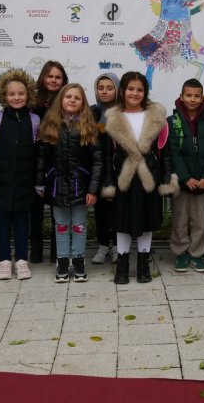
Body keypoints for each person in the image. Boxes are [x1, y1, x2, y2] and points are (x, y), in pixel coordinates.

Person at [103, 71, 178, 284]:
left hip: (149, 177)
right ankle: (122, 266)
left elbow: (165, 152)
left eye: (140, 90)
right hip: (123, 178)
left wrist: (166, 178)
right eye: (130, 89)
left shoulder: (156, 118)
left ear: (145, 92)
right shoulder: (113, 118)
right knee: (122, 221)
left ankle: (144, 264)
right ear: (122, 91)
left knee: (147, 220)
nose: (135, 93)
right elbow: (107, 155)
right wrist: (108, 181)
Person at [36, 84, 104, 283]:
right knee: (61, 226)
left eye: (77, 98)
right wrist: (40, 182)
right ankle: (63, 262)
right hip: (56, 186)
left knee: (79, 226)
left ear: (83, 103)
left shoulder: (88, 127)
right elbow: (41, 158)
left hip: (80, 187)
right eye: (68, 96)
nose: (72, 100)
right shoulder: (50, 125)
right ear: (61, 100)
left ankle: (79, 261)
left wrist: (93, 189)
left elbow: (97, 162)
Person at [0, 69, 40, 281]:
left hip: (25, 183)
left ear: (28, 95)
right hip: (1, 183)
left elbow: (38, 154)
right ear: (3, 96)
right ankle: (4, 261)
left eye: (21, 93)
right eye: (11, 94)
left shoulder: (34, 120)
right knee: (3, 222)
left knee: (23, 222)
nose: (17, 97)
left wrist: (37, 183)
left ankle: (22, 260)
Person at [168, 79, 204, 273]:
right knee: (180, 219)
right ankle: (181, 252)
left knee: (200, 221)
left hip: (203, 182)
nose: (192, 99)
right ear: (181, 97)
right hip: (182, 182)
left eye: (197, 96)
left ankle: (197, 254)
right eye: (188, 95)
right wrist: (185, 178)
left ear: (202, 98)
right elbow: (173, 153)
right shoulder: (172, 122)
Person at [30, 61, 69, 264]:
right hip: (34, 161)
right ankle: (35, 252)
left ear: (64, 80)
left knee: (58, 210)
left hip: (57, 162)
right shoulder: (31, 102)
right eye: (50, 76)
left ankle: (57, 252)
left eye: (58, 77)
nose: (54, 80)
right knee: (34, 210)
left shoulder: (67, 101)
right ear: (43, 78)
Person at [90, 72, 119, 264]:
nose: (105, 91)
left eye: (110, 88)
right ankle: (102, 245)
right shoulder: (92, 112)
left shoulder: (124, 113)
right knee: (100, 210)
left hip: (118, 171)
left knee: (117, 210)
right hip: (97, 170)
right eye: (101, 88)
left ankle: (117, 246)